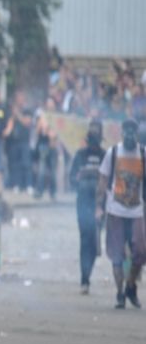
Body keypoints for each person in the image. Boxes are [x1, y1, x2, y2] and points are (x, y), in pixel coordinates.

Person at [96, 118, 146, 309]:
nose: (130, 135)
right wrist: (99, 207)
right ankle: (120, 294)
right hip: (115, 210)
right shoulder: (113, 152)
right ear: (122, 133)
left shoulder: (143, 153)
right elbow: (102, 180)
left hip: (137, 211)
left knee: (140, 253)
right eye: (127, 131)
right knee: (116, 254)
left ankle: (130, 286)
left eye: (133, 131)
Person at [70, 120, 105, 295]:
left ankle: (87, 274)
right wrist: (81, 182)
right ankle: (85, 278)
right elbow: (71, 180)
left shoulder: (106, 156)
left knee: (94, 241)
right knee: (86, 240)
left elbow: (111, 181)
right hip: (83, 203)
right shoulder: (80, 155)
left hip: (100, 205)